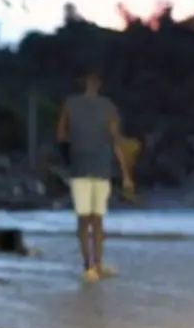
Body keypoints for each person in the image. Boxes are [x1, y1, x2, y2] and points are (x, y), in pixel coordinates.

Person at [55, 70, 134, 283]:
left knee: (85, 218)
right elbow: (116, 140)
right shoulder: (108, 107)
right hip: (100, 168)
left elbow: (60, 136)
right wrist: (126, 174)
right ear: (98, 84)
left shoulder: (70, 104)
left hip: (80, 167)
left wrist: (73, 148)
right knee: (96, 219)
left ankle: (90, 265)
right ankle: (95, 264)